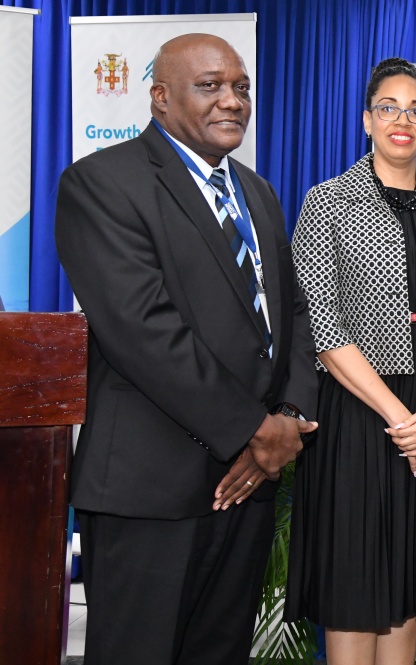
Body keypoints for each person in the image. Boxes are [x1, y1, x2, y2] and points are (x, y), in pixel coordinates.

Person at [55, 33, 318, 664]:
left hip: (247, 483)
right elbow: (144, 330)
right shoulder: (101, 183)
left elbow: (293, 315)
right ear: (160, 97)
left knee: (218, 653)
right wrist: (253, 430)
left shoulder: (257, 192)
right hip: (151, 491)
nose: (232, 100)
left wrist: (286, 422)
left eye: (241, 86)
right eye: (210, 86)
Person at [285, 58, 416, 665]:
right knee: (356, 584)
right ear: (366, 120)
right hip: (360, 413)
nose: (402, 120)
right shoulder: (328, 203)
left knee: (410, 583)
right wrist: (407, 422)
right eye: (389, 108)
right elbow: (323, 327)